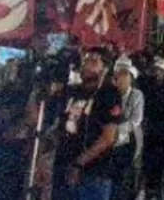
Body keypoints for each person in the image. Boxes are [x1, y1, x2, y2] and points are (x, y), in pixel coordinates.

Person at [53, 47, 123, 200]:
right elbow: (60, 125)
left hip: (93, 173)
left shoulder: (109, 93)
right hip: (63, 166)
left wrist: (79, 163)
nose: (86, 65)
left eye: (93, 61)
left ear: (105, 68)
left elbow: (108, 137)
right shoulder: (72, 91)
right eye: (85, 60)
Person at [111, 59, 144, 200]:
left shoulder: (136, 95)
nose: (122, 78)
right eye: (119, 74)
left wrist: (117, 129)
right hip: (110, 141)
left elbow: (136, 119)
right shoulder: (110, 93)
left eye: (126, 74)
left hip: (129, 140)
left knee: (125, 174)